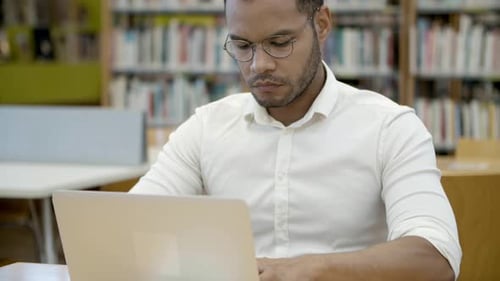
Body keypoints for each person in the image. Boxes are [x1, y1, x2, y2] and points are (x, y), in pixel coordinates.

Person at [130, 0, 462, 280]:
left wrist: (312, 269)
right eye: (243, 46)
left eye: (279, 43)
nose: (259, 65)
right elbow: (127, 224)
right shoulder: (205, 128)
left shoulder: (390, 127)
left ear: (321, 24)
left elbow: (436, 256)